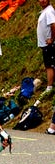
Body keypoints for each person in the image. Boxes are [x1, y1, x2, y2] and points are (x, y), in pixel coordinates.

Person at [37, 0, 55, 135]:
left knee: (50, 65)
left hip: (49, 44)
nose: (41, 0)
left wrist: (52, 39)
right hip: (45, 45)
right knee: (48, 65)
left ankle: (49, 86)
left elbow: (53, 25)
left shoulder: (49, 11)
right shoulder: (44, 11)